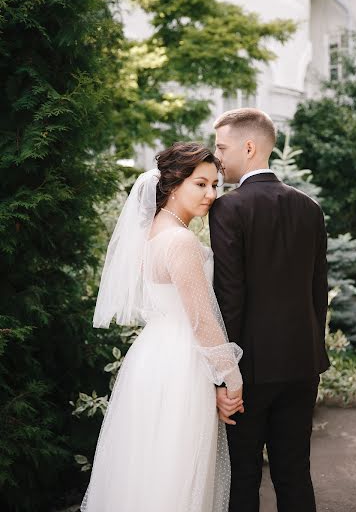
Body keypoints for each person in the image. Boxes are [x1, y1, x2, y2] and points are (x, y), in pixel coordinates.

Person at [81, 142, 243, 512]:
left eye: (215, 185)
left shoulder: (152, 233)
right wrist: (232, 379)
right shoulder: (181, 240)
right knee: (177, 467)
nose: (211, 194)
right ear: (172, 185)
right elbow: (201, 320)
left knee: (149, 465)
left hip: (150, 356)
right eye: (200, 184)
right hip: (181, 363)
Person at [209, 108, 330, 512]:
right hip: (303, 363)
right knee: (295, 471)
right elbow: (319, 292)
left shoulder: (229, 208)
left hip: (251, 371)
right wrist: (314, 348)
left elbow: (230, 296)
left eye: (222, 147)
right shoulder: (310, 207)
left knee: (244, 475)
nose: (217, 157)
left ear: (249, 146)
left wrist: (225, 373)